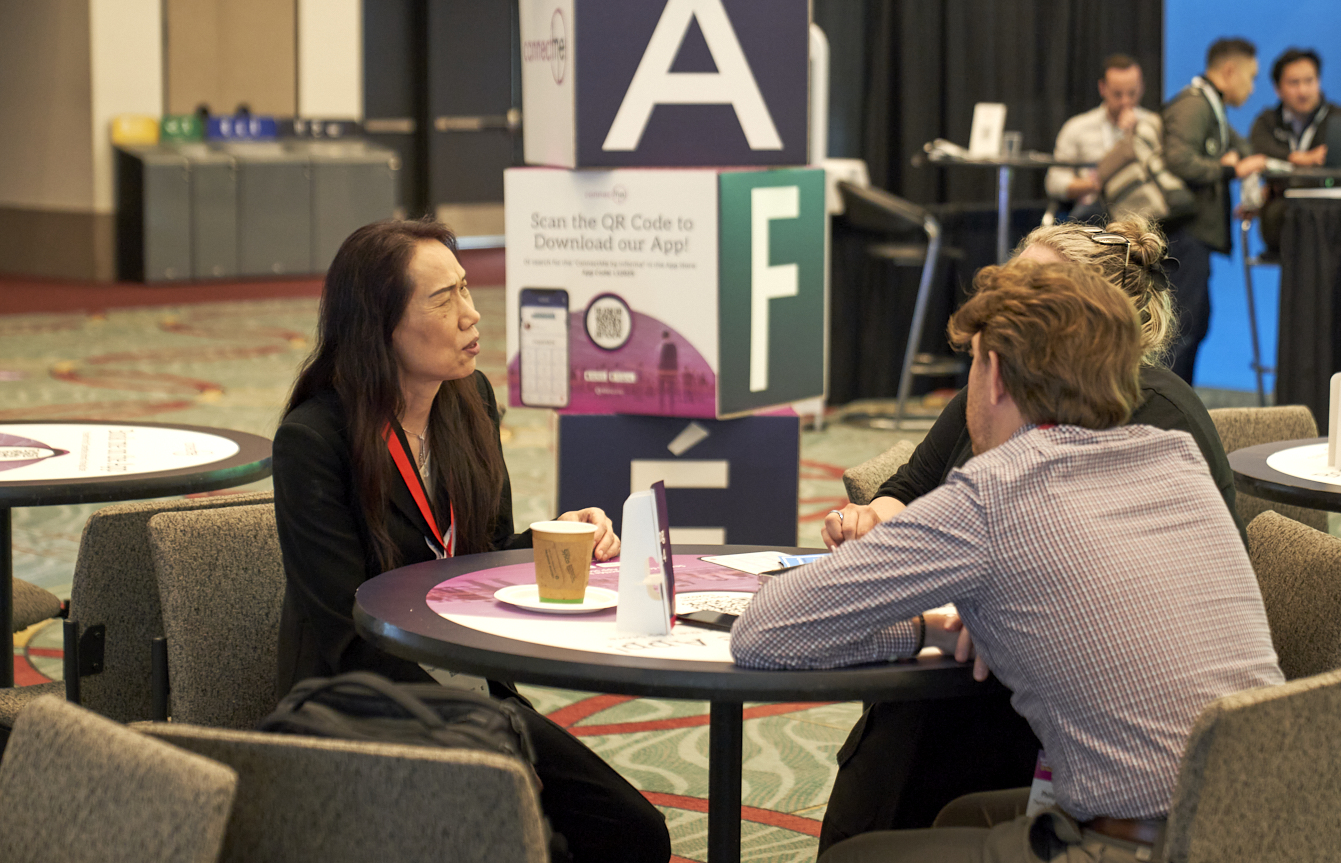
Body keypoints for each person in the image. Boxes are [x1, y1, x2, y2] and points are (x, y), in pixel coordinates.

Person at [732, 260, 1282, 863]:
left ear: (992, 373)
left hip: (1142, 845)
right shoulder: (1176, 458)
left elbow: (764, 632)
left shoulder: (995, 493)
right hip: (1273, 815)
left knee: (853, 859)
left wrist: (924, 628)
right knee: (961, 819)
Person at [273, 219, 670, 863]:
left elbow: (477, 561)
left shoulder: (469, 402)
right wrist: (479, 733)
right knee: (543, 847)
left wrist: (557, 540)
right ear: (380, 325)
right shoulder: (315, 441)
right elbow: (341, 629)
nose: (471, 314)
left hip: (475, 693)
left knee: (633, 833)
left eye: (465, 289)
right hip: (363, 704)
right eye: (442, 299)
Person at [1161, 37, 1268, 384]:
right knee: (1180, 332)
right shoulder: (1194, 106)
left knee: (1195, 324)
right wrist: (1226, 170)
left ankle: (1178, 417)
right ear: (1229, 70)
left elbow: (1243, 149)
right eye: (1251, 77)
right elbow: (1177, 160)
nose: (1253, 89)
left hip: (1195, 240)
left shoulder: (1212, 107)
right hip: (1183, 236)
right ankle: (1167, 424)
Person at [1248, 48, 1341, 256]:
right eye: (1294, 83)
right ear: (1277, 89)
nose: (1303, 91)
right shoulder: (1266, 122)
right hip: (1282, 218)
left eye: (1310, 81)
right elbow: (1256, 150)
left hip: (1331, 216)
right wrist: (1299, 159)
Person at [1044, 55, 1162, 217]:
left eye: (1132, 93)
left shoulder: (1153, 125)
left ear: (1142, 87)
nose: (1125, 102)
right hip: (1094, 210)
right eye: (1117, 94)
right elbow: (1055, 182)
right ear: (1102, 88)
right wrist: (1094, 184)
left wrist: (1135, 135)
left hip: (1142, 208)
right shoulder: (1077, 127)